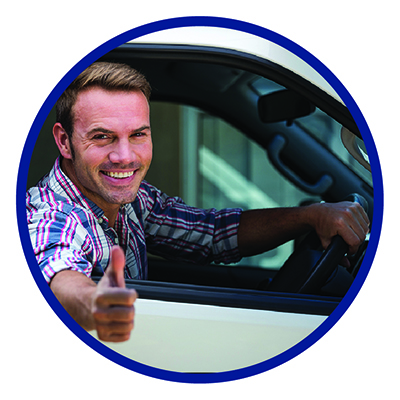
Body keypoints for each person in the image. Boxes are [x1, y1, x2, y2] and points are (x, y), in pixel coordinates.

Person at [26, 62, 370, 343]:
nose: (124, 156)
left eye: (138, 135)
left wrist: (310, 217)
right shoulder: (51, 216)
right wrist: (94, 303)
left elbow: (214, 233)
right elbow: (57, 274)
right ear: (65, 141)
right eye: (102, 137)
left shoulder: (131, 199)